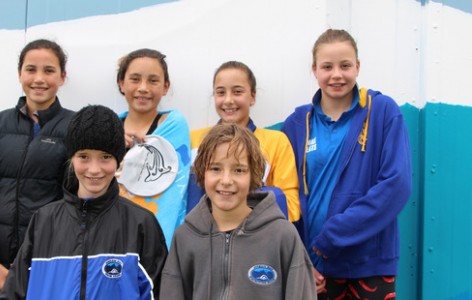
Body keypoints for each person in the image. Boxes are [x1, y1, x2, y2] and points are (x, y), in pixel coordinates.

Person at [281, 29, 412, 299]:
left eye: (345, 65)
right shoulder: (295, 125)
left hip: (370, 263)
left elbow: (397, 184)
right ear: (314, 69)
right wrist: (301, 256)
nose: (337, 75)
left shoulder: (383, 111)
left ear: (358, 67)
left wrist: (332, 237)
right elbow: (287, 195)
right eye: (327, 67)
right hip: (315, 267)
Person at [0, 105, 168, 299]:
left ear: (119, 160)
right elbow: (14, 292)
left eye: (105, 157)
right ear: (71, 158)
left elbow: (161, 292)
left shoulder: (141, 223)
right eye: (84, 157)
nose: (94, 169)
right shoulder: (43, 221)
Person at [0, 39, 74, 296]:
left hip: (52, 265)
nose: (39, 79)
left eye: (49, 71)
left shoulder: (75, 127)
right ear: (19, 74)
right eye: (31, 69)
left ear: (62, 77)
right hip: (0, 268)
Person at [160, 123, 316, 300]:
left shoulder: (283, 236)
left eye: (239, 170)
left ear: (255, 175)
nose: (226, 180)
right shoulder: (185, 237)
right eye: (216, 169)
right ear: (202, 173)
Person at [188, 61, 300, 224]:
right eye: (220, 92)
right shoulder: (194, 140)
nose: (228, 100)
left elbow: (291, 205)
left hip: (255, 239)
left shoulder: (276, 142)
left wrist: (235, 209)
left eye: (237, 92)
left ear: (252, 96)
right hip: (203, 240)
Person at [116, 48, 191, 247]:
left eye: (153, 80)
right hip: (114, 235)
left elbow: (172, 186)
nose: (143, 88)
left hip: (159, 239)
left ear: (166, 87)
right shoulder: (108, 128)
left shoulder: (174, 125)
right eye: (135, 79)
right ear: (121, 84)